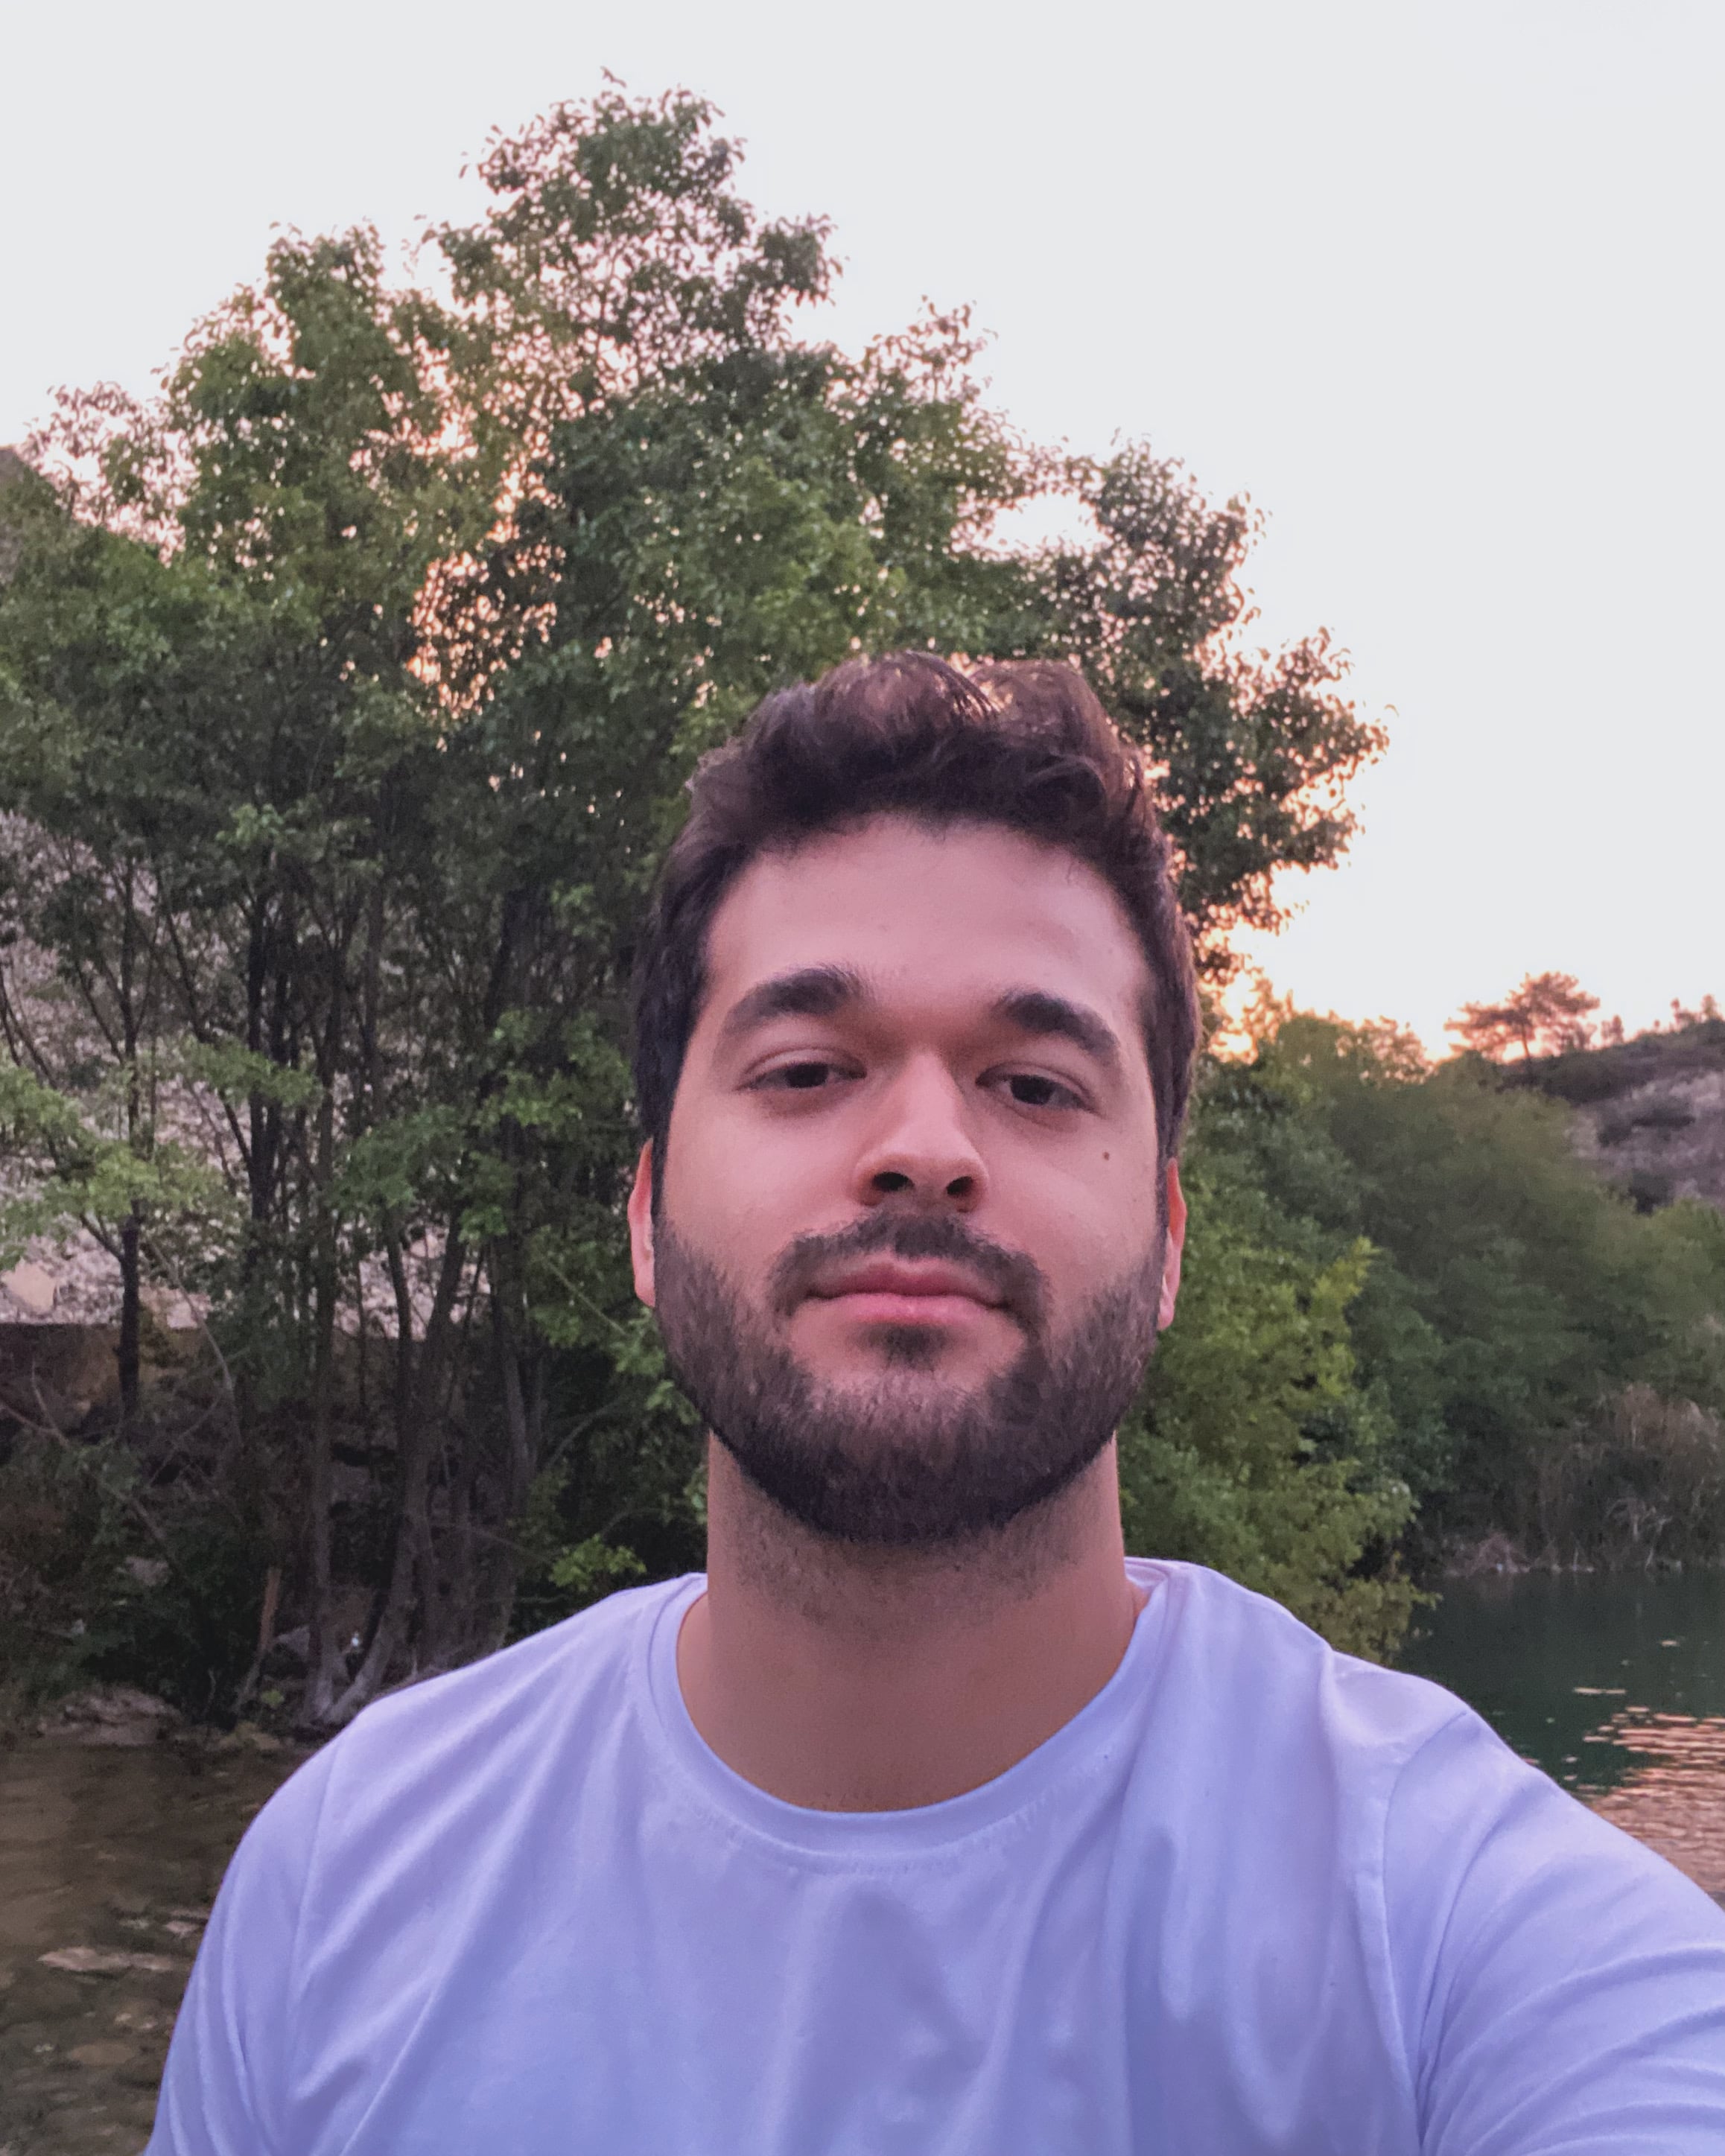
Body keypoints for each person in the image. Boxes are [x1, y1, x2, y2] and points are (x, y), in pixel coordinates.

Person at [150, 655, 1725, 2155]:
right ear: (643, 1215)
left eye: (1034, 1084)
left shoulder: (1453, 1929)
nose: (922, 1147)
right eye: (804, 1068)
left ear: (1169, 1245)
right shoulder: (342, 1879)